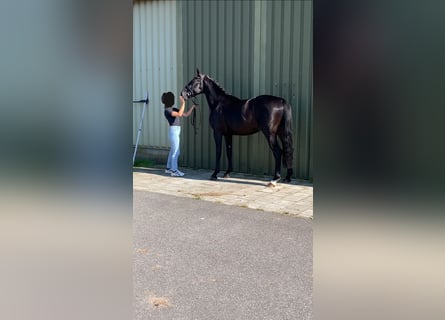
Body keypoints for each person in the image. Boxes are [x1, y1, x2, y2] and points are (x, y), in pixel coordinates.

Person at [161, 92, 196, 177]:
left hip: (175, 131)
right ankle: (174, 170)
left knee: (173, 150)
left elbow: (186, 114)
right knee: (176, 152)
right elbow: (180, 114)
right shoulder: (167, 110)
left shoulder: (173, 109)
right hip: (173, 131)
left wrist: (193, 107)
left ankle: (169, 168)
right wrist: (183, 103)